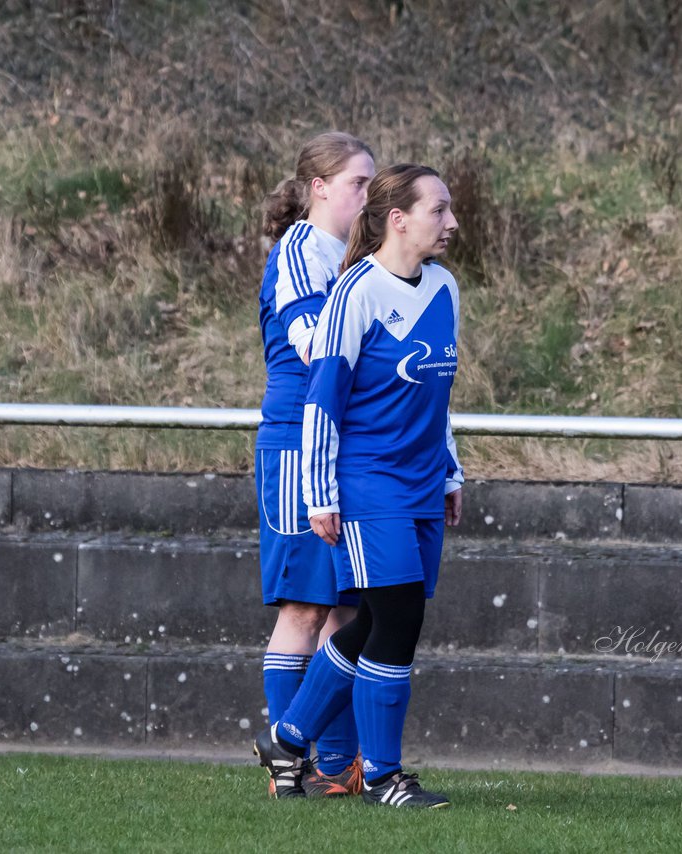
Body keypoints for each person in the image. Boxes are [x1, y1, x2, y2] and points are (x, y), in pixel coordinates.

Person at [254, 163, 463, 809]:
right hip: (370, 481)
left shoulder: (446, 288)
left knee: (373, 618)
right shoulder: (355, 291)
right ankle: (383, 778)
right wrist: (321, 494)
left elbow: (437, 394)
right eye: (440, 210)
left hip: (424, 480)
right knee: (398, 621)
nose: (452, 223)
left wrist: (452, 469)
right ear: (399, 219)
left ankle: (289, 739)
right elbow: (323, 401)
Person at [255, 131, 376, 798]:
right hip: (299, 446)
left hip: (341, 444)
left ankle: (336, 765)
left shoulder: (355, 260)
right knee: (305, 607)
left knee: (348, 608)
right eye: (358, 183)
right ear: (320, 187)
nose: (368, 195)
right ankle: (287, 760)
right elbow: (312, 348)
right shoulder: (303, 250)